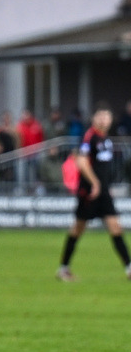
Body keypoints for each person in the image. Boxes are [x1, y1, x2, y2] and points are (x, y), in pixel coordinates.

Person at [57, 104, 131, 282]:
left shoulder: (106, 140)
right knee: (78, 228)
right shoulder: (89, 137)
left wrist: (105, 186)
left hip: (103, 192)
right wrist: (95, 183)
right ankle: (63, 269)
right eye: (101, 116)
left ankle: (129, 268)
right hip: (89, 192)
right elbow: (81, 162)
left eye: (107, 116)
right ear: (94, 119)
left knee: (115, 226)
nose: (104, 119)